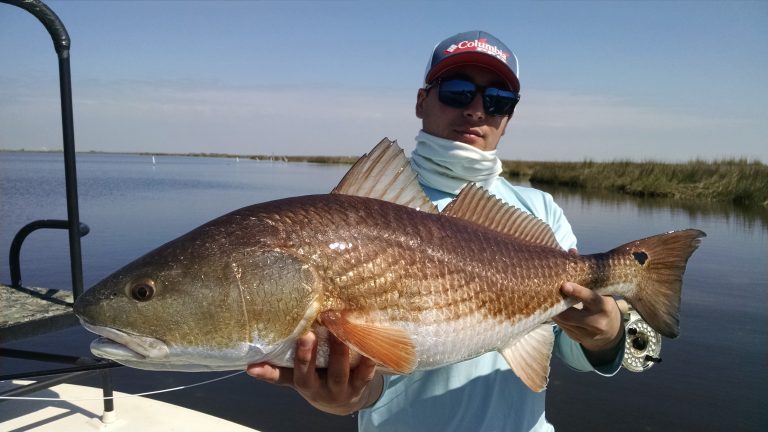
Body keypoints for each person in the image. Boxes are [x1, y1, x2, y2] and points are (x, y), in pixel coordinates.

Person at [247, 30, 625, 431]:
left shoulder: (540, 210)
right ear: (421, 100)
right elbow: (373, 378)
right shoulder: (370, 207)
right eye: (458, 91)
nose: (477, 110)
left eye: (498, 100)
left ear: (508, 118)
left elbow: (569, 344)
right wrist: (347, 395)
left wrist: (606, 335)